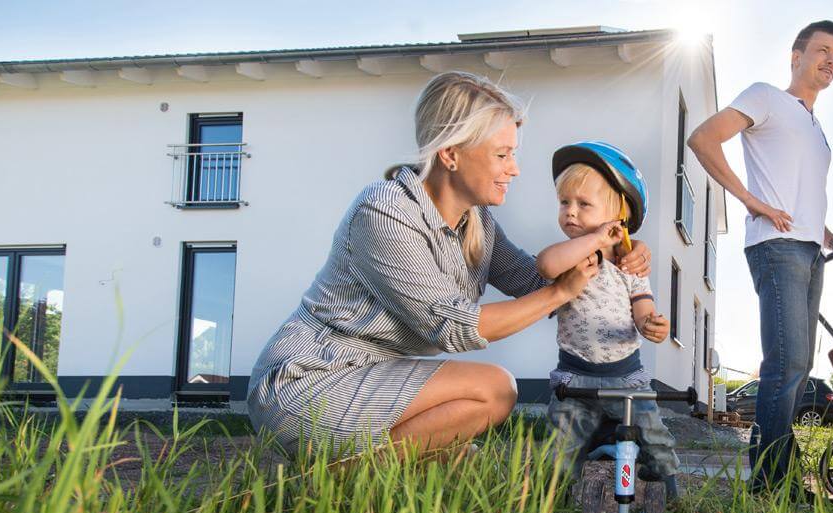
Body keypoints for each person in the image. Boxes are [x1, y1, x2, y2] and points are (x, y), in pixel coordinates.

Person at [247, 71, 653, 456]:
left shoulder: (476, 222)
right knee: (495, 388)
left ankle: (379, 467)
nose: (514, 168)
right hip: (309, 381)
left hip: (377, 374)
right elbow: (454, 327)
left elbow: (531, 279)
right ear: (450, 154)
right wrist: (560, 292)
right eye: (502, 154)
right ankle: (349, 472)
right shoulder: (385, 211)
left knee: (476, 424)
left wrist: (617, 257)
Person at [688, 20, 833, 497]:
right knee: (784, 365)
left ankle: (780, 476)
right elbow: (703, 138)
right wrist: (751, 200)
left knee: (799, 366)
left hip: (808, 250)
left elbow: (806, 202)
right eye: (822, 50)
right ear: (796, 56)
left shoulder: (816, 128)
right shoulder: (766, 96)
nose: (831, 60)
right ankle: (770, 483)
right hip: (774, 247)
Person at [537, 141, 680, 497]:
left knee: (654, 437)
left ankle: (670, 489)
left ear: (618, 215)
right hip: (575, 380)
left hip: (625, 378)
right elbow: (546, 265)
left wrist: (652, 325)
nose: (570, 212)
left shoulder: (630, 262)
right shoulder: (568, 255)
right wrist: (597, 237)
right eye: (564, 203)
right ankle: (549, 502)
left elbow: (642, 305)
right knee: (559, 448)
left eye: (583, 204)